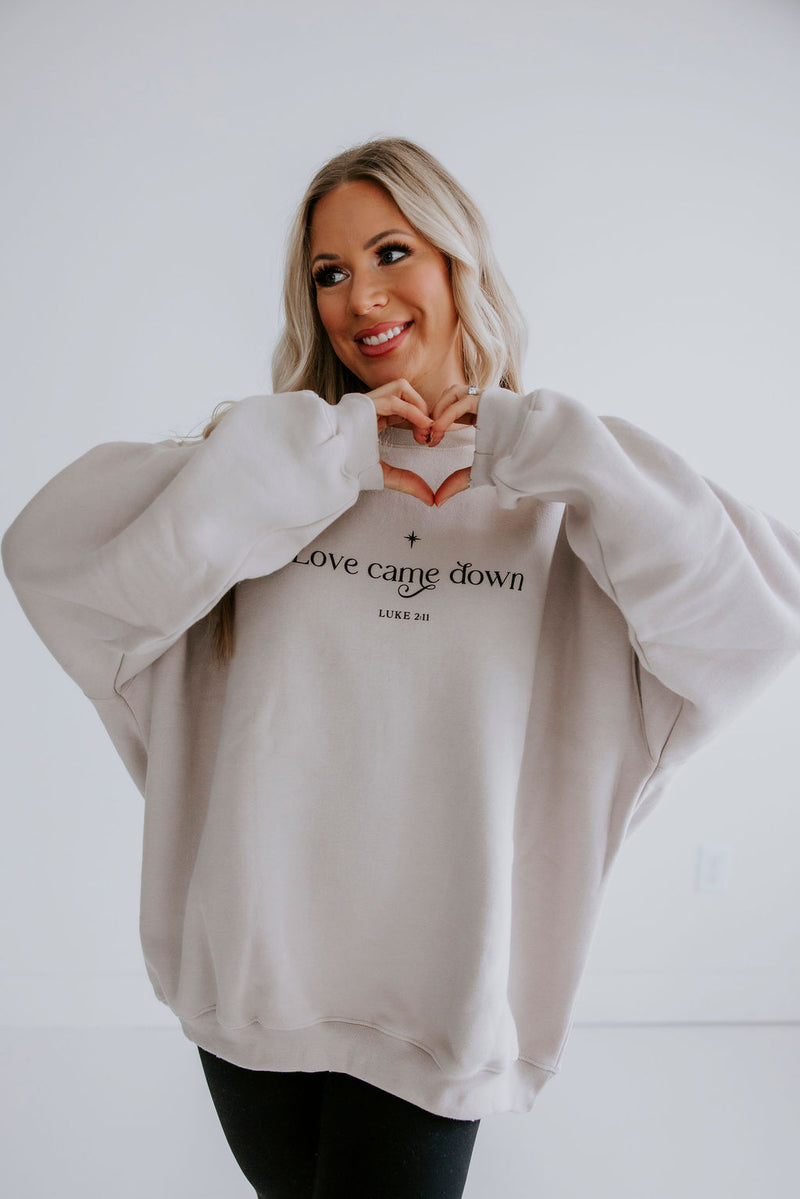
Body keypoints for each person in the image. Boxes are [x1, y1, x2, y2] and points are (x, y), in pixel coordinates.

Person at [3, 136, 800, 1199]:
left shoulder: (564, 499)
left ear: (458, 260)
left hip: (441, 1003)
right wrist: (325, 451)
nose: (360, 298)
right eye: (328, 272)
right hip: (256, 990)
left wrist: (535, 445)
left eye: (391, 252)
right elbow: (49, 555)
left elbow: (751, 618)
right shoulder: (264, 474)